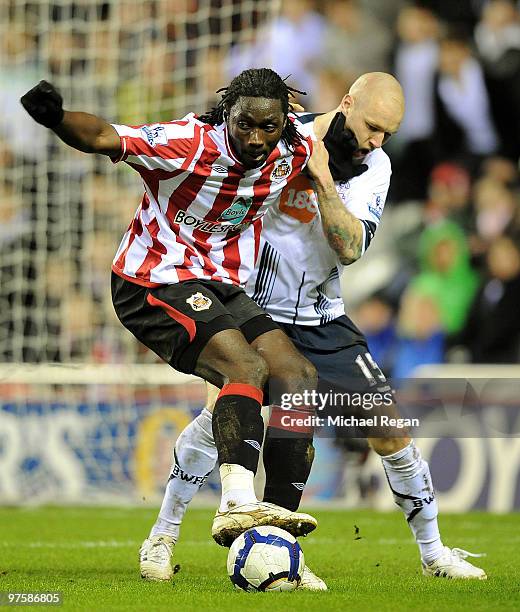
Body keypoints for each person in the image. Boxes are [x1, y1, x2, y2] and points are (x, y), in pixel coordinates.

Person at [138, 73, 487, 588]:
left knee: (389, 429)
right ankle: (163, 536)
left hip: (324, 319)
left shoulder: (376, 168)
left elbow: (350, 247)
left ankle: (434, 554)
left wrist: (323, 181)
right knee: (221, 420)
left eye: (387, 133)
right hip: (256, 313)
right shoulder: (280, 137)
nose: (376, 141)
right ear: (346, 102)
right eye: (372, 127)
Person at [20, 67, 324, 550]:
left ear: (284, 122)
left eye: (268, 127)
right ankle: (237, 501)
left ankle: (276, 535)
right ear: (229, 113)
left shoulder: (296, 146)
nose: (256, 137)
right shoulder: (188, 142)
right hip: (151, 281)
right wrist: (57, 119)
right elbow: (102, 135)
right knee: (245, 367)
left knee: (299, 377)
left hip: (220, 282)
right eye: (244, 123)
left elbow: (331, 127)